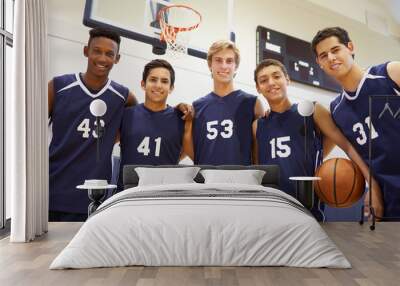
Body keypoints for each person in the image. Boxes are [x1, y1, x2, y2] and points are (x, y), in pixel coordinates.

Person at [252, 59, 383, 220]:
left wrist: (373, 186)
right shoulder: (257, 126)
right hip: (272, 213)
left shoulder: (313, 110)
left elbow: (347, 146)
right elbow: (257, 172)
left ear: (287, 79)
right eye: (264, 80)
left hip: (308, 213)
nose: (271, 83)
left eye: (276, 76)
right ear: (258, 88)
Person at [48, 27, 138, 221]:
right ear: (86, 51)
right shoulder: (58, 87)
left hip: (94, 193)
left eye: (109, 54)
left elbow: (142, 120)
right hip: (53, 188)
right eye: (97, 51)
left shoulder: (123, 96)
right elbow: (29, 134)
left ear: (117, 58)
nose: (103, 58)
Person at [311, 26, 400, 220]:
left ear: (350, 47)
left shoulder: (390, 73)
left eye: (335, 50)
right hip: (389, 199)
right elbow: (354, 153)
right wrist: (373, 188)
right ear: (319, 63)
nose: (331, 58)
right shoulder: (337, 110)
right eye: (324, 55)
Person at [118, 59, 192, 186]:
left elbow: (186, 150)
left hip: (163, 196)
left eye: (164, 81)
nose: (158, 85)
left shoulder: (181, 119)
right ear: (143, 84)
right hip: (127, 194)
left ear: (171, 88)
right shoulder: (126, 115)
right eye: (153, 79)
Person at [192, 40, 264, 165]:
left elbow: (259, 151)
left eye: (229, 61)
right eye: (218, 60)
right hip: (207, 181)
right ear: (210, 64)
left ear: (236, 66)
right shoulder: (197, 107)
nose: (224, 66)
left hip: (241, 180)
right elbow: (195, 150)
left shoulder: (253, 103)